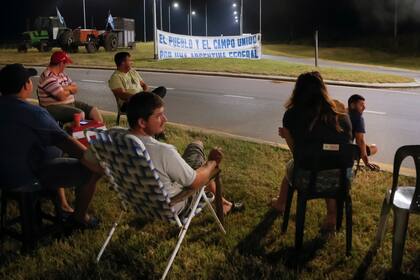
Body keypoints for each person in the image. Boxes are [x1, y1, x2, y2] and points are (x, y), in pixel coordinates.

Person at [0, 64, 102, 229]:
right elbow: (68, 144)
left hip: (4, 173)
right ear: (26, 85)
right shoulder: (34, 113)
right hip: (25, 176)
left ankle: (62, 205)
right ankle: (80, 217)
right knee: (89, 170)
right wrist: (95, 162)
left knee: (52, 155)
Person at [109, 92, 242, 215]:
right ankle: (224, 204)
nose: (165, 119)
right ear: (142, 122)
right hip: (171, 206)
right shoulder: (163, 151)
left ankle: (224, 202)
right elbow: (195, 182)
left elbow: (93, 164)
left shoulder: (111, 135)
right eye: (159, 116)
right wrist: (212, 162)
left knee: (195, 152)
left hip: (134, 200)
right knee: (198, 148)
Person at [271, 71, 352, 232]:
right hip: (342, 179)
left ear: (298, 91)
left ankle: (280, 203)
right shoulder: (341, 112)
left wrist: (288, 136)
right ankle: (332, 215)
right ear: (323, 89)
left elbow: (298, 156)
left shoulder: (292, 115)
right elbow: (347, 145)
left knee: (293, 166)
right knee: (329, 162)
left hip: (308, 179)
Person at [37, 51, 103, 124]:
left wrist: (63, 87)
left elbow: (75, 88)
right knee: (79, 115)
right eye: (66, 63)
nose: (66, 66)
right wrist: (69, 89)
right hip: (53, 107)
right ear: (61, 63)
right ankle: (75, 134)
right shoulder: (48, 77)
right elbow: (62, 96)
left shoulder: (62, 74)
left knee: (94, 110)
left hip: (70, 103)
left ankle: (101, 131)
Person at [347, 94, 379, 171]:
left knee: (364, 146)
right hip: (345, 151)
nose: (364, 107)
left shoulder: (340, 113)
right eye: (361, 105)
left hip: (328, 149)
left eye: (364, 105)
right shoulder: (358, 118)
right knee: (374, 148)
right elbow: (360, 141)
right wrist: (366, 162)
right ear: (352, 105)